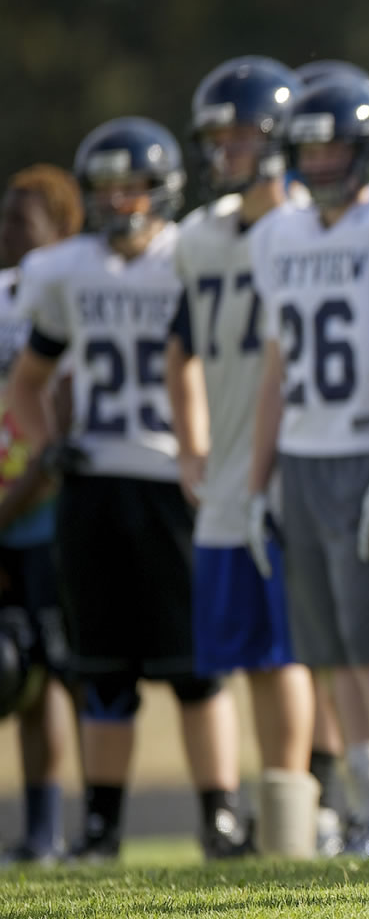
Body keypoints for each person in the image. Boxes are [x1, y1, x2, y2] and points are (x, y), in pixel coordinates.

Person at [9, 118, 250, 861]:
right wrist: (49, 449)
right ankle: (102, 827)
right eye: (107, 191)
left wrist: (207, 449)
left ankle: (220, 816)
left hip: (175, 482)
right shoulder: (66, 270)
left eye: (133, 188)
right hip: (94, 488)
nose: (120, 204)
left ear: (163, 191)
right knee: (102, 670)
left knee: (196, 669)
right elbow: (29, 383)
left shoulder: (191, 254)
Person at [248, 76, 369, 856]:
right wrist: (254, 483)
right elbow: (275, 370)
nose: (322, 162)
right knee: (331, 656)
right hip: (302, 457)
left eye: (335, 146)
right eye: (309, 148)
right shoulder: (278, 235)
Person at [167, 55, 320, 854]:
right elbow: (178, 348)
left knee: (301, 649)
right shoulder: (198, 234)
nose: (226, 148)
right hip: (227, 467)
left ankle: (301, 813)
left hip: (301, 459)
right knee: (254, 657)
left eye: (241, 132)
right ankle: (274, 813)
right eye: (216, 134)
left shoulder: (306, 227)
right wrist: (189, 447)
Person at [0, 164, 82, 865]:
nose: (7, 234)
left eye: (23, 223)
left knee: (55, 675)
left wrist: (20, 494)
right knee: (14, 676)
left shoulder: (70, 293)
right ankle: (38, 831)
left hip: (45, 517)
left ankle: (68, 829)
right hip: (3, 514)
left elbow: (66, 413)